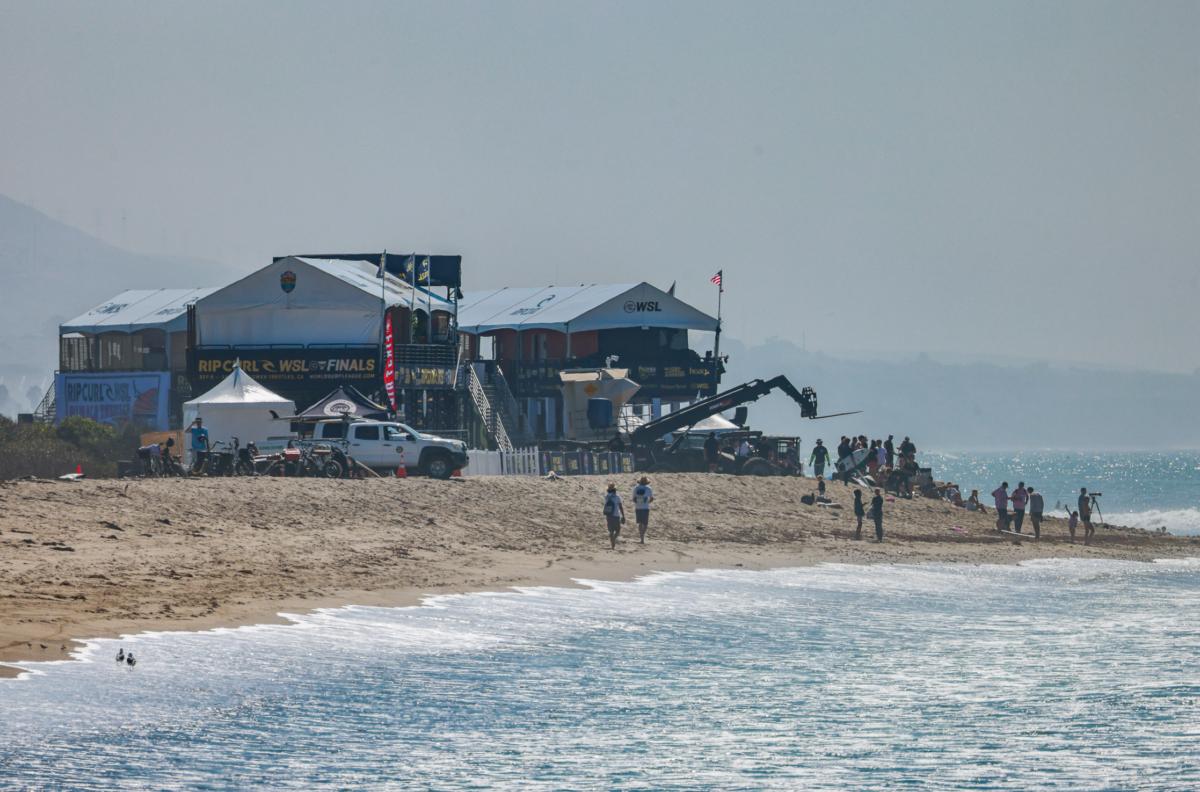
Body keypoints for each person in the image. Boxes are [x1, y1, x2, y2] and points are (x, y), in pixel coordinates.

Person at [603, 483, 626, 549]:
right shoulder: (617, 497)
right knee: (618, 530)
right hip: (616, 515)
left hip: (609, 515)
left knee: (611, 531)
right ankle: (614, 539)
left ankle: (612, 544)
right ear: (615, 490)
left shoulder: (606, 496)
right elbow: (620, 507)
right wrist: (623, 515)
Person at [631, 476, 654, 544]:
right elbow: (651, 498)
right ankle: (642, 536)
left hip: (638, 508)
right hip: (645, 508)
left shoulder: (636, 488)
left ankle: (641, 538)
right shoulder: (648, 488)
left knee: (640, 523)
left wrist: (638, 502)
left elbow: (634, 499)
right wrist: (647, 502)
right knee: (645, 523)